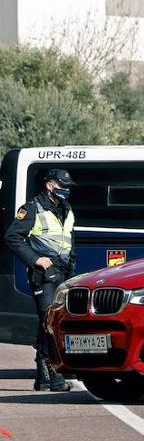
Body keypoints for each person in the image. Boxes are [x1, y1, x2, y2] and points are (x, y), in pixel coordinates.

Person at [4, 168, 77, 392]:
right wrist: (36, 259)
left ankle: (43, 376)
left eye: (68, 187)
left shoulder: (66, 208)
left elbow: (68, 241)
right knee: (49, 322)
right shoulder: (32, 208)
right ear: (49, 185)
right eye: (62, 186)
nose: (66, 190)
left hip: (63, 273)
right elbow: (11, 237)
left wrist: (72, 270)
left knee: (51, 322)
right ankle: (53, 377)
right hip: (43, 274)